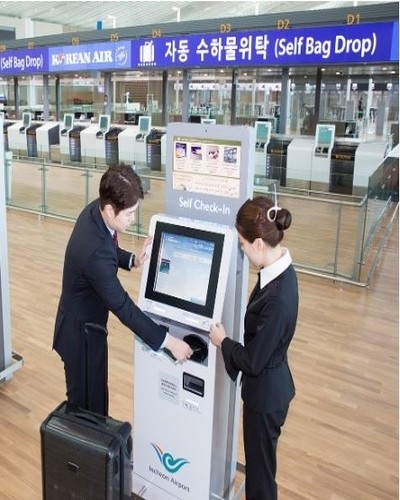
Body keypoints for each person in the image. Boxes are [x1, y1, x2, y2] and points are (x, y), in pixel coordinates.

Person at [53, 163, 193, 415]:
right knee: (87, 411)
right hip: (79, 335)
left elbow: (108, 250)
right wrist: (169, 342)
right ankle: (84, 453)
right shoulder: (94, 249)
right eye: (128, 214)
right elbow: (123, 307)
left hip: (88, 326)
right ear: (110, 209)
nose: (132, 220)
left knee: (97, 399)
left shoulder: (95, 212)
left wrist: (133, 260)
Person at [209, 195, 298, 500]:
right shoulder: (279, 269)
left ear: (259, 243)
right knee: (262, 470)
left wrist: (223, 342)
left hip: (265, 399)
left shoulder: (278, 297)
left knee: (260, 482)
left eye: (243, 245)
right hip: (270, 389)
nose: (242, 251)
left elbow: (253, 361)